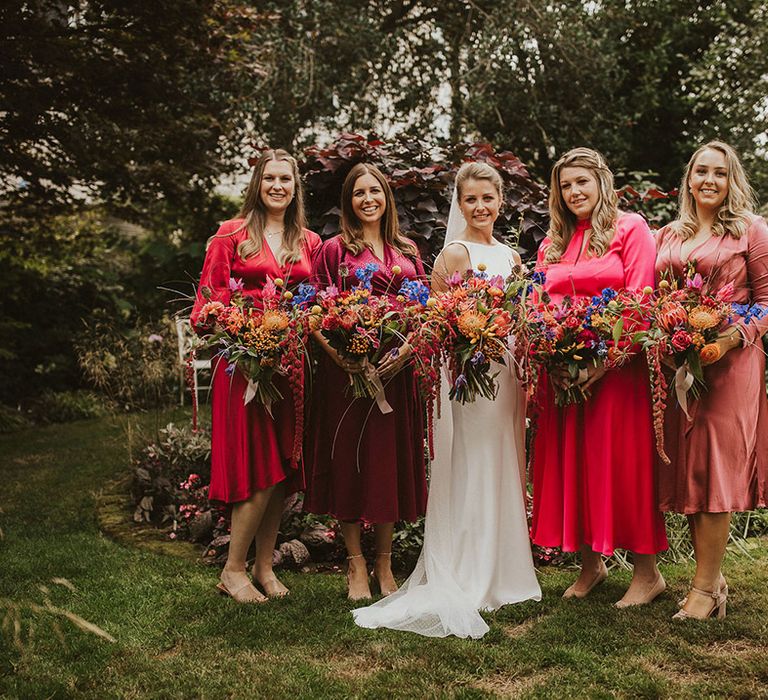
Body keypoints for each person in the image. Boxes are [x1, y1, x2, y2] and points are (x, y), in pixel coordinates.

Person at [352, 161, 541, 639]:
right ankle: (469, 570)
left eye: (488, 198)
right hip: (470, 378)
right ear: (461, 204)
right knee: (474, 462)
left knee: (506, 461)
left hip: (506, 373)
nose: (480, 207)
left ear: (501, 201)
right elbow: (435, 326)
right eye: (471, 199)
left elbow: (521, 316)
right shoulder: (453, 255)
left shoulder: (513, 258)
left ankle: (507, 571)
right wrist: (468, 342)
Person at [530, 147, 668, 606]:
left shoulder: (631, 229)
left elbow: (640, 299)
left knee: (622, 466)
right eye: (565, 186)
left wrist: (601, 362)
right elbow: (535, 304)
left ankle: (647, 574)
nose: (573, 193)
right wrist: (552, 356)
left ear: (602, 181)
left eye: (581, 182)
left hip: (616, 374)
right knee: (574, 466)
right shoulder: (551, 243)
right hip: (563, 376)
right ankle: (591, 566)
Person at [190, 149, 322, 603]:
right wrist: (247, 333)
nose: (278, 186)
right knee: (259, 465)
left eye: (286, 179)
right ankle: (232, 569)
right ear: (257, 184)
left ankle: (264, 568)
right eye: (270, 179)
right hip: (244, 364)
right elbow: (208, 305)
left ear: (295, 187)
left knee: (283, 469)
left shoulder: (309, 241)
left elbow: (316, 302)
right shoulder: (230, 235)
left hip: (291, 366)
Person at [655, 140, 768, 620]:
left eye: (719, 173)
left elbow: (766, 302)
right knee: (693, 470)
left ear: (731, 180)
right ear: (688, 178)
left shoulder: (752, 232)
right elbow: (655, 294)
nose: (709, 181)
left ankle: (703, 591)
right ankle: (712, 581)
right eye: (701, 171)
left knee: (716, 468)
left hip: (732, 362)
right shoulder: (669, 234)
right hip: (682, 363)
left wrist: (729, 340)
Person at [304, 162, 428, 600]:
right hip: (347, 378)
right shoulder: (336, 250)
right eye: (359, 193)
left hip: (397, 374)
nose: (368, 199)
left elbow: (425, 312)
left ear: (386, 197)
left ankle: (384, 564)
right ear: (348, 202)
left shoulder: (408, 249)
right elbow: (314, 309)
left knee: (386, 467)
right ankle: (356, 565)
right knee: (351, 466)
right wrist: (343, 355)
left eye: (375, 191)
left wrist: (406, 351)